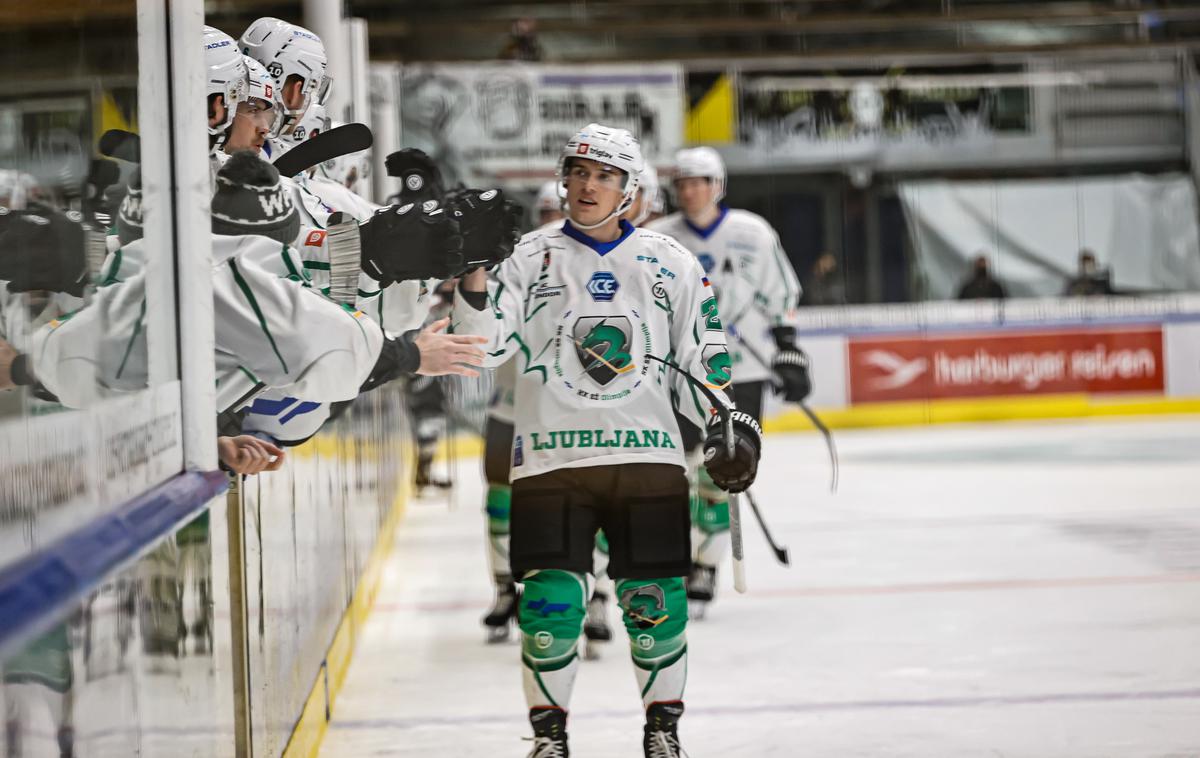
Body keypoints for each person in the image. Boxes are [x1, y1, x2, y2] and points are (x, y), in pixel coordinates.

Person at [454, 123, 762, 757]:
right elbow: (482, 349)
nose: (588, 185)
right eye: (578, 172)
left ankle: (662, 731)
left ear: (629, 188)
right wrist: (475, 272)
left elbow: (704, 356)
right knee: (549, 609)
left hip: (646, 462)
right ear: (563, 179)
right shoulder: (525, 256)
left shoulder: (671, 261)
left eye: (605, 176)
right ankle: (549, 738)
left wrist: (727, 428)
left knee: (654, 606)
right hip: (548, 463)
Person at [646, 146, 808, 616]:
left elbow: (781, 293)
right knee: (678, 469)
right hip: (681, 372)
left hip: (743, 371)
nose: (691, 191)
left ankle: (707, 564)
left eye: (701, 181)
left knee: (723, 469)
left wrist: (789, 348)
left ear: (719, 186)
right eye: (683, 183)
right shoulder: (658, 237)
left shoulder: (752, 233)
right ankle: (680, 553)